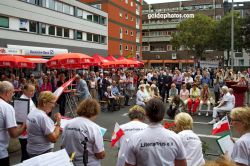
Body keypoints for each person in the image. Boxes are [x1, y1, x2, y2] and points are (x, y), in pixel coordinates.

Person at [125, 98, 187, 166]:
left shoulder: (135, 138)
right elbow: (182, 164)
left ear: (146, 115)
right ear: (163, 115)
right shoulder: (175, 138)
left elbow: (129, 164)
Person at [62, 99, 105, 166]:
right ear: (95, 111)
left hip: (70, 162)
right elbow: (100, 155)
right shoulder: (94, 128)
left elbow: (63, 145)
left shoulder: (68, 124)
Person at [26, 91, 61, 158]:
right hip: (42, 152)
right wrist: (58, 122)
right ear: (44, 103)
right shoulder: (42, 117)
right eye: (52, 103)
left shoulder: (33, 112)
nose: (54, 106)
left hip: (32, 150)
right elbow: (53, 139)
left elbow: (40, 128)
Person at [0, 81, 26, 165]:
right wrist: (24, 126)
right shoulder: (7, 107)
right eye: (12, 92)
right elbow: (14, 134)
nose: (13, 95)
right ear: (7, 93)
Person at [19, 84, 36, 162]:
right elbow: (21, 119)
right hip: (25, 133)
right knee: (26, 156)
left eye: (34, 90)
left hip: (29, 131)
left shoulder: (29, 98)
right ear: (24, 91)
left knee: (28, 155)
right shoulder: (22, 100)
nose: (33, 92)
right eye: (31, 91)